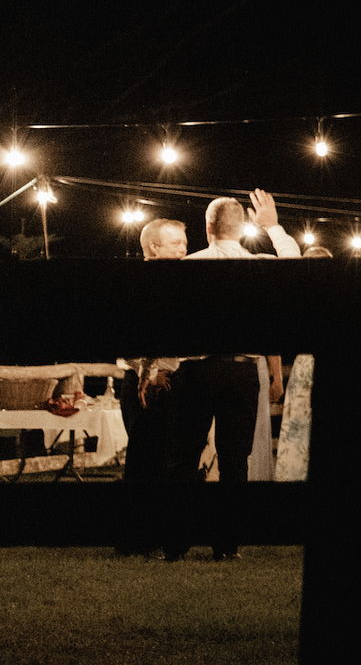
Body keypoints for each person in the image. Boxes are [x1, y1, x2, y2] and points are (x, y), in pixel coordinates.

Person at [173, 190, 300, 560]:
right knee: (235, 459)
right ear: (243, 227)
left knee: (184, 456)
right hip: (243, 371)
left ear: (207, 227)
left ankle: (177, 543)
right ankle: (227, 545)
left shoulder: (189, 264)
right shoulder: (259, 264)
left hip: (197, 369)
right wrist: (273, 227)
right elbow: (294, 263)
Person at [116, 216, 192, 557]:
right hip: (141, 378)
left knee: (166, 456)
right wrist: (149, 371)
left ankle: (157, 534)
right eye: (175, 242)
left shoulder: (182, 282)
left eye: (184, 241)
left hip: (172, 375)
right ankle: (136, 537)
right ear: (153, 247)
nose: (183, 247)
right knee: (142, 455)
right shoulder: (134, 282)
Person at [272, 244, 333, 483]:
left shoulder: (297, 296)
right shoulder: (329, 297)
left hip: (307, 364)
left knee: (301, 424)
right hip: (311, 363)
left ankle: (296, 475)